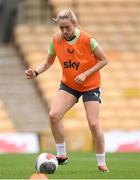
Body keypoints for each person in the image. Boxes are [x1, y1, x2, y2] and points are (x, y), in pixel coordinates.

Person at [25, 10, 109, 172]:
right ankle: (62, 154)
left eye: (67, 27)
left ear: (75, 25)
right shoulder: (56, 39)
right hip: (69, 85)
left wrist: (85, 74)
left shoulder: (87, 40)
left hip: (90, 85)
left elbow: (104, 60)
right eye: (61, 27)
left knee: (93, 123)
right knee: (53, 115)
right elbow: (48, 62)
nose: (64, 31)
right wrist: (35, 72)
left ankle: (101, 161)